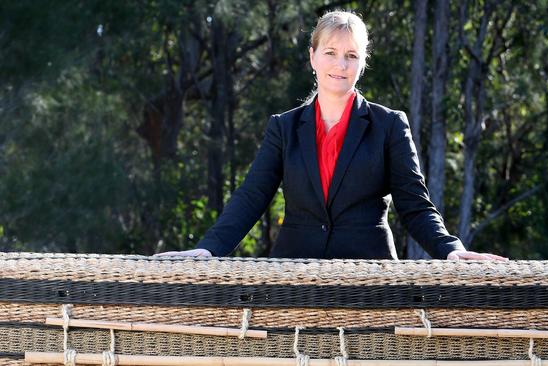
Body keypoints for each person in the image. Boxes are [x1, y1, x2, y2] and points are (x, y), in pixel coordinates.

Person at [157, 10, 506, 261]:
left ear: (362, 63)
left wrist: (452, 250)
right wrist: (208, 248)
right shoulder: (284, 127)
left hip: (368, 278)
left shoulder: (389, 125)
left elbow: (415, 206)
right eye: (331, 53)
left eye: (351, 55)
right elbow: (251, 197)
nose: (340, 65)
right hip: (295, 275)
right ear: (313, 57)